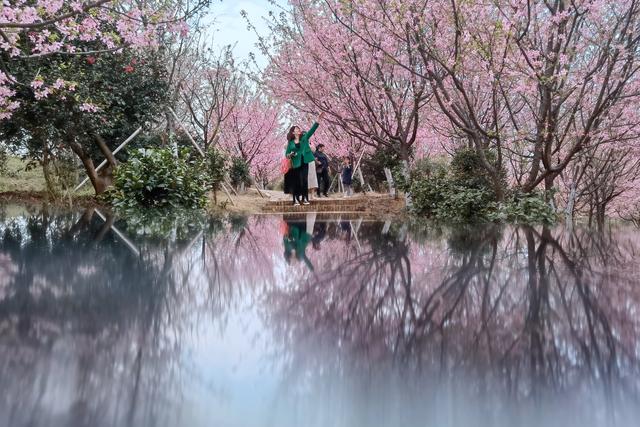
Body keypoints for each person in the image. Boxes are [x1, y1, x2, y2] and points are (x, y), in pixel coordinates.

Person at [284, 112, 325, 206]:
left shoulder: (304, 138)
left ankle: (305, 198)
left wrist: (317, 121)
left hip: (305, 161)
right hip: (296, 163)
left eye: (298, 129)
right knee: (297, 181)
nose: (298, 130)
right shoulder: (290, 143)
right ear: (293, 132)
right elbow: (287, 155)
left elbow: (312, 130)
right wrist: (290, 154)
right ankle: (296, 199)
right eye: (296, 129)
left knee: (305, 180)